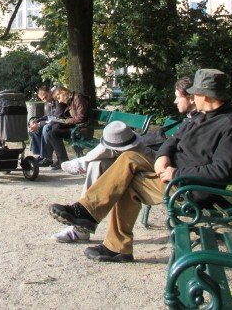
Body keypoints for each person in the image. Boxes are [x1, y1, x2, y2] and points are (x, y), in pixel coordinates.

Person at [48, 69, 232, 262]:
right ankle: (91, 218)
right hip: (172, 173)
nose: (192, 97)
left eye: (194, 94)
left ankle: (107, 236)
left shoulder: (230, 125)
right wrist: (163, 156)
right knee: (128, 158)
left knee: (126, 179)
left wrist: (176, 172)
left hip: (189, 186)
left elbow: (222, 171)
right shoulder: (201, 116)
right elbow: (173, 140)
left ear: (205, 96)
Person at [51, 76, 196, 243]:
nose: (175, 100)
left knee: (121, 141)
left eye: (178, 96)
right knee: (99, 163)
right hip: (159, 157)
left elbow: (192, 156)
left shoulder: (206, 121)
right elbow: (174, 141)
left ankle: (83, 162)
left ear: (193, 97)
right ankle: (81, 227)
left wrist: (167, 159)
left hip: (164, 166)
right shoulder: (194, 118)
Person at [42, 86, 89, 170]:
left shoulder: (77, 98)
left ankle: (62, 160)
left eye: (59, 97)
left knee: (53, 133)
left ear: (63, 92)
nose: (59, 101)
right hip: (78, 127)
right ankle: (61, 160)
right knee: (52, 130)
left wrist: (67, 121)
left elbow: (81, 117)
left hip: (83, 129)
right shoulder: (72, 99)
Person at [28, 86, 67, 165]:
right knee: (35, 129)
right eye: (42, 99)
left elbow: (57, 117)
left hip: (63, 122)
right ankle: (42, 155)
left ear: (49, 91)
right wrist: (36, 121)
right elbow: (47, 116)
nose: (44, 100)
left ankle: (47, 158)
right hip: (54, 123)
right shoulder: (48, 102)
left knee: (46, 128)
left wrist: (39, 124)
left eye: (45, 97)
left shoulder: (57, 99)